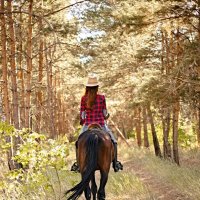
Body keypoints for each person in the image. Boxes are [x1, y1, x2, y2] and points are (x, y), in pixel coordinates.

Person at [71, 74, 123, 172]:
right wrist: (107, 116)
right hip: (101, 124)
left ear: (87, 87)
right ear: (97, 87)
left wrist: (83, 122)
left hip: (88, 124)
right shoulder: (102, 98)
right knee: (113, 141)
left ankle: (78, 164)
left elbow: (82, 115)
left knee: (78, 142)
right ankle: (115, 163)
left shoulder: (83, 99)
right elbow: (104, 113)